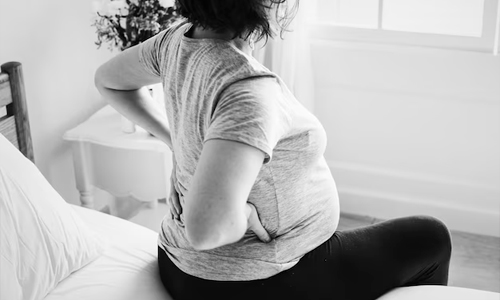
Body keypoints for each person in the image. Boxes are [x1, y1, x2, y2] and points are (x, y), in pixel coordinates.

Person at [94, 1, 452, 299]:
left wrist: (176, 143)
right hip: (253, 281)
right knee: (430, 236)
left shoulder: (176, 40)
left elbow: (108, 80)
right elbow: (205, 229)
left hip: (179, 264)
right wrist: (244, 216)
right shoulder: (247, 91)